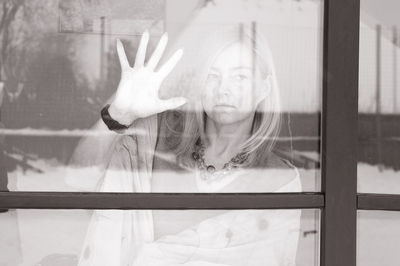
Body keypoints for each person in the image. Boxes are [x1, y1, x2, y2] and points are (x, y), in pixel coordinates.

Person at [73, 24, 301, 266]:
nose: (224, 89)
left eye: (240, 76)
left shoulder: (279, 181)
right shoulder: (157, 137)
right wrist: (118, 115)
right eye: (213, 75)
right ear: (200, 82)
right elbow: (76, 179)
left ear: (263, 88)